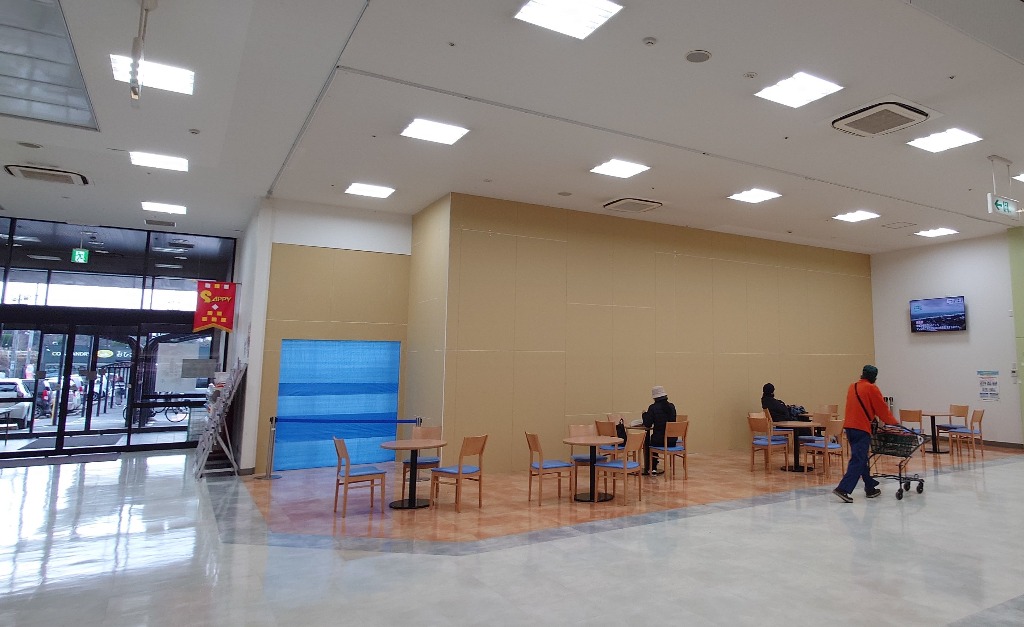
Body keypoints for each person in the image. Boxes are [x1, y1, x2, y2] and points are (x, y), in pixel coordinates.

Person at [833, 365, 898, 503]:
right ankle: (843, 489)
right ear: (874, 377)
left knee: (861, 457)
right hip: (861, 428)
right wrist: (894, 423)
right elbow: (882, 409)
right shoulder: (871, 388)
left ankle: (870, 487)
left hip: (849, 427)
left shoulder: (852, 386)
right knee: (858, 459)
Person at [642, 385, 676, 474]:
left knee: (649, 443)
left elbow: (647, 424)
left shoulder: (653, 408)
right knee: (655, 439)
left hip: (660, 441)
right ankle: (653, 467)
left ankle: (652, 467)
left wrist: (644, 414)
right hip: (672, 441)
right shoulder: (672, 407)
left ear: (654, 397)